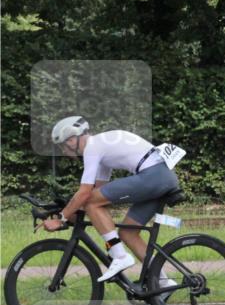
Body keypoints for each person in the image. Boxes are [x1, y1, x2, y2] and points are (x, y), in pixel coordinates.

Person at [44, 115, 179, 287]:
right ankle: (164, 282)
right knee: (127, 234)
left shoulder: (92, 148)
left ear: (71, 140)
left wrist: (61, 218)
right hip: (161, 177)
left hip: (153, 176)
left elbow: (86, 194)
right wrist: (73, 212)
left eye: (62, 146)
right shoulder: (101, 149)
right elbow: (98, 192)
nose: (63, 151)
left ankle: (120, 256)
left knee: (91, 201)